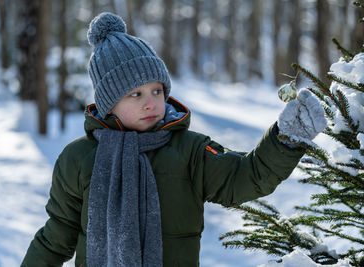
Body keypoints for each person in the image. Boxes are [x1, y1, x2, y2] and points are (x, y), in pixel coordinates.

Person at [21, 12, 327, 267]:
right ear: (108, 103)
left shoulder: (190, 150)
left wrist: (285, 140)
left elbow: (244, 178)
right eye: (135, 94)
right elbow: (56, 236)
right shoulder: (78, 159)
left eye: (156, 91)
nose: (150, 103)